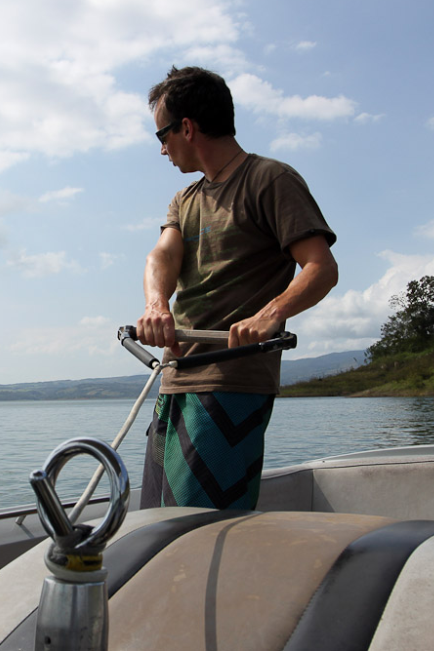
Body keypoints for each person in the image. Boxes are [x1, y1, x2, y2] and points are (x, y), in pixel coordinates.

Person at [137, 66, 338, 511]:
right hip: (174, 380)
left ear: (186, 127)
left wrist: (269, 316)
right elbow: (162, 256)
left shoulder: (270, 180)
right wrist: (156, 305)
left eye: (162, 136)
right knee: (155, 519)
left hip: (230, 382)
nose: (163, 149)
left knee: (197, 528)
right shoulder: (184, 199)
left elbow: (321, 267)